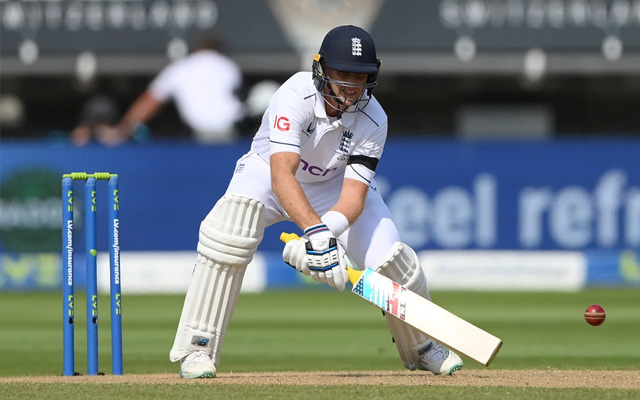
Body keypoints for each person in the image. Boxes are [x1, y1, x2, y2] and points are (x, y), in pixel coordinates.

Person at [169, 25, 464, 379]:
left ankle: (423, 347)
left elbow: (355, 196)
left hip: (333, 185)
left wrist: (327, 233)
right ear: (320, 68)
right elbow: (281, 175)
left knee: (392, 262)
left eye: (361, 76)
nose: (352, 86)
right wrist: (317, 233)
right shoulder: (295, 94)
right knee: (229, 230)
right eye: (344, 74)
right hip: (266, 172)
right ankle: (197, 349)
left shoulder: (375, 119)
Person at [118, 35, 244, 144]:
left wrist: (122, 130)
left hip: (199, 138)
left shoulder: (182, 67)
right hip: (230, 136)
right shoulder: (229, 66)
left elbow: (151, 100)